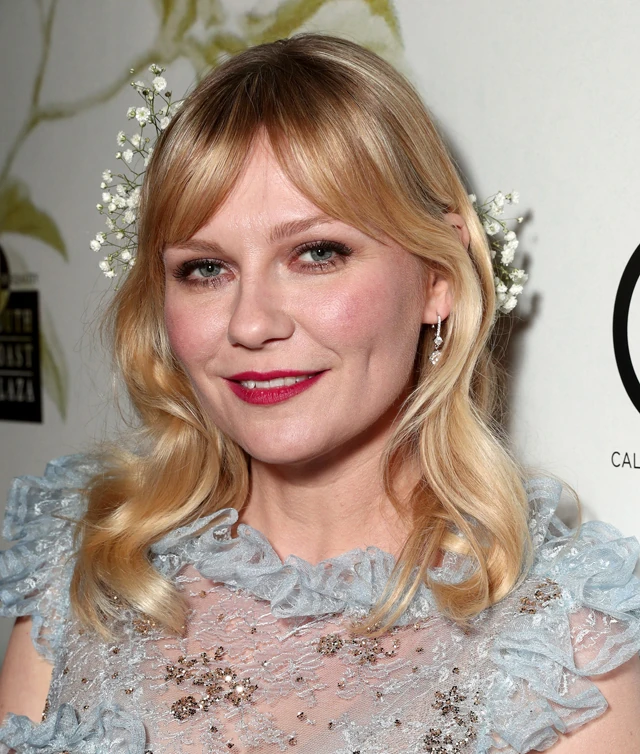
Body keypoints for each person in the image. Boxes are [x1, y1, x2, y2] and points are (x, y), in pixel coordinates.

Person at [0, 33, 639, 754]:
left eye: (316, 253)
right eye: (205, 268)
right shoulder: (88, 576)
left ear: (438, 276)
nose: (250, 323)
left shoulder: (560, 658)